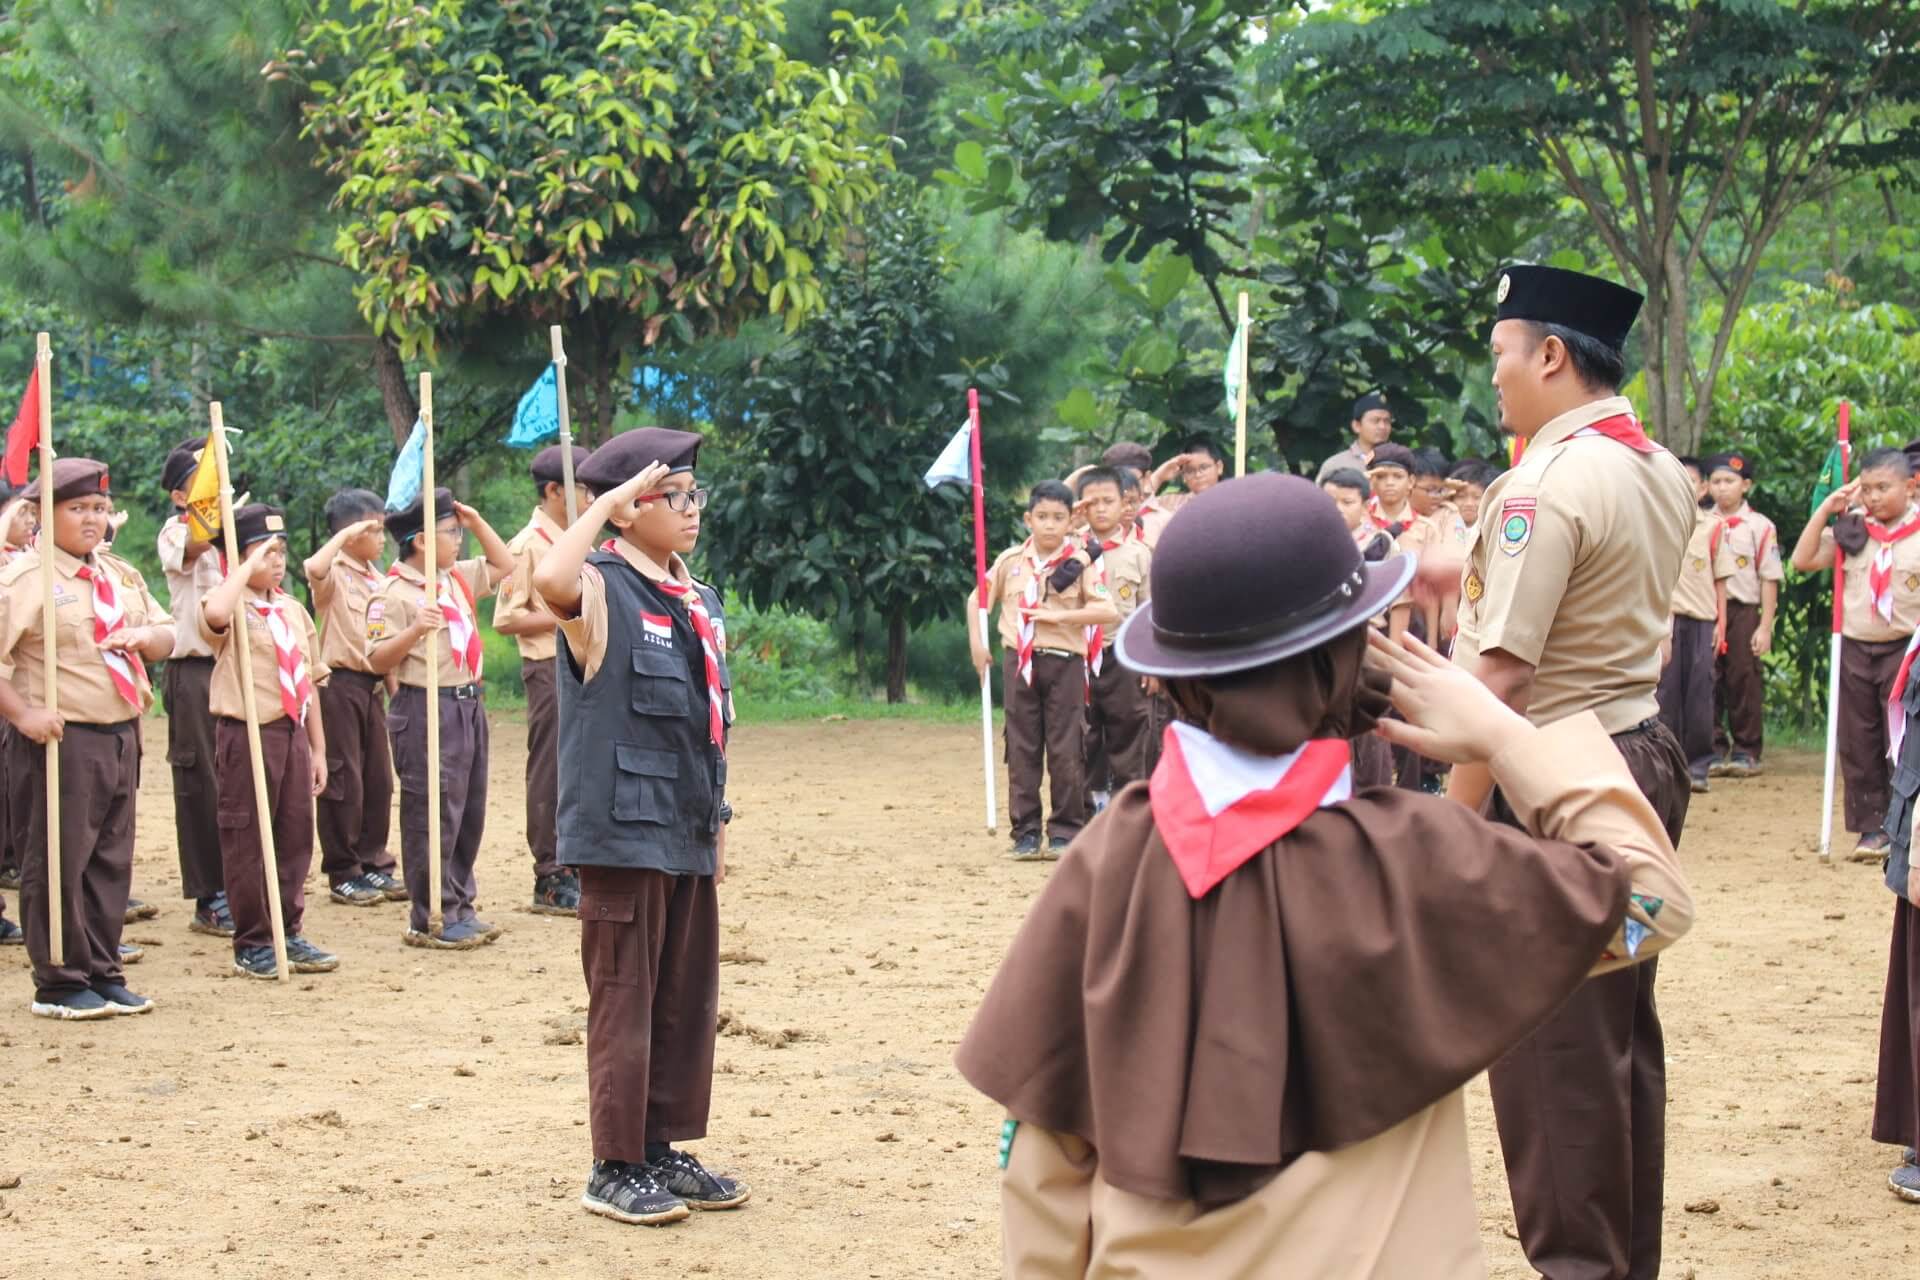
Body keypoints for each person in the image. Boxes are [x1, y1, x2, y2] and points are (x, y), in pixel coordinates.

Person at [956, 473, 1694, 1278]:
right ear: (1350, 662)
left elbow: (1040, 1167)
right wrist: (1504, 736)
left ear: (1168, 675)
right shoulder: (1420, 858)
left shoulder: (1105, 860)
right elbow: (1650, 899)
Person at [1449, 263, 1697, 1280]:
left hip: (1552, 781)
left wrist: (1449, 824)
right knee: (1617, 1042)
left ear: (1551, 354)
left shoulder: (1545, 486)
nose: (1496, 376)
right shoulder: (1655, 468)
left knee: (1552, 1057)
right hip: (1635, 756)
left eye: (1503, 353)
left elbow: (1498, 679)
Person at [530, 427, 750, 1226]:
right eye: (674, 497)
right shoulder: (599, 590)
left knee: (682, 997)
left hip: (686, 825)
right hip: (623, 830)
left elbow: (711, 721)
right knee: (624, 994)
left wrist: (718, 821)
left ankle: (658, 1148)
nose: (692, 510)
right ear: (628, 512)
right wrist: (605, 508)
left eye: (695, 495)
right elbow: (547, 575)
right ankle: (613, 1164)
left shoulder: (697, 600)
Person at [0, 459, 176, 1019]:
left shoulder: (119, 574)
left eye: (100, 508)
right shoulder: (26, 579)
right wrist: (23, 713)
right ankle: (58, 979)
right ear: (42, 516)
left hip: (121, 732)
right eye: (77, 509)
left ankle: (104, 970)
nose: (92, 519)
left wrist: (147, 637)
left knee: (111, 861)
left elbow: (168, 630)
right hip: (60, 740)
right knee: (57, 859)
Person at [366, 488, 514, 947]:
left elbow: (506, 565)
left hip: (468, 703)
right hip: (425, 705)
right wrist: (415, 628)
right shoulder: (391, 594)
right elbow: (375, 659)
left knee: (468, 808)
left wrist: (474, 519)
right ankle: (431, 913)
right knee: (433, 812)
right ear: (422, 541)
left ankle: (460, 903)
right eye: (451, 533)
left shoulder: (455, 578)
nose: (459, 541)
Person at [199, 504, 337, 979]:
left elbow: (311, 681)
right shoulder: (230, 603)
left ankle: (288, 929)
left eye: (279, 551)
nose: (275, 561)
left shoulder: (292, 610)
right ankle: (253, 939)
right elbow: (215, 613)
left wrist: (317, 749)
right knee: (248, 839)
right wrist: (244, 568)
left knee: (295, 835)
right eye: (264, 551)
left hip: (291, 731)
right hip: (247, 734)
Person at [972, 481, 1119, 860]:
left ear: (1072, 521)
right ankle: (1025, 832)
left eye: (1058, 518)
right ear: (1028, 520)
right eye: (1042, 517)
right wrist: (978, 644)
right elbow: (978, 599)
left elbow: (1107, 611)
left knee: (1067, 747)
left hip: (1065, 663)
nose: (1050, 526)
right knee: (1021, 747)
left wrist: (1062, 616)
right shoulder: (1010, 562)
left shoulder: (1080, 564)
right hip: (1019, 663)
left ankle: (1065, 831)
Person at [1790, 448, 1920, 863]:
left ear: (1910, 486)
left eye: (1883, 488)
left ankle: (1906, 827)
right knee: (1859, 737)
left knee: (1903, 739)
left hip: (1907, 648)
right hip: (1856, 647)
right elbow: (1803, 559)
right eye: (1867, 489)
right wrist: (1828, 508)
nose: (1874, 497)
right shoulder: (1853, 531)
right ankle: (1872, 828)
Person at [492, 443, 591, 917]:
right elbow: (507, 619)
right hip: (549, 668)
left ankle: (580, 860)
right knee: (552, 765)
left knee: (585, 765)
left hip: (584, 663)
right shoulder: (527, 545)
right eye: (582, 487)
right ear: (554, 490)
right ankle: (550, 872)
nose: (590, 496)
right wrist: (567, 615)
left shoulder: (580, 540)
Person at [304, 488, 405, 906]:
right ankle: (343, 869)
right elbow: (313, 565)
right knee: (343, 779)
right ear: (349, 534)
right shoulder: (333, 573)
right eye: (373, 529)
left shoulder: (376, 578)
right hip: (339, 685)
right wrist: (344, 539)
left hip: (372, 686)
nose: (381, 538)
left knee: (378, 780)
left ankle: (373, 861)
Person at [157, 437, 232, 938]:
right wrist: (220, 514)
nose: (210, 495)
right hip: (195, 672)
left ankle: (240, 880)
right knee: (201, 783)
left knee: (239, 781)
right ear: (181, 497)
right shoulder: (176, 531)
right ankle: (210, 895)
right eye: (200, 487)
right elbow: (195, 545)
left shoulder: (230, 533)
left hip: (236, 668)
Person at [1073, 468, 1151, 814]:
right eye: (1093, 502)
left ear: (1125, 506)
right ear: (1082, 507)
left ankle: (1127, 814)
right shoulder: (1069, 550)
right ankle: (1083, 814)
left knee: (1129, 732)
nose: (1101, 509)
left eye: (1109, 501)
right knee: (1082, 737)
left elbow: (1149, 612)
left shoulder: (1139, 553)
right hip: (1077, 655)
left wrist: (1151, 664)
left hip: (1123, 654)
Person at [1658, 458, 1736, 794]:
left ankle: (1699, 765)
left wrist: (1722, 623)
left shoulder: (1714, 527)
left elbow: (1721, 582)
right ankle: (1665, 764)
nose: (1685, 486)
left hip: (1704, 620)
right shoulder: (1657, 523)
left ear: (1702, 488)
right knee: (1665, 693)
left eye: (1691, 480)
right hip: (1667, 620)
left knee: (1701, 694)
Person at [1322, 466, 1400, 788]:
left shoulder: (1380, 543)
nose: (1338, 509)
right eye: (1330, 501)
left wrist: (1394, 658)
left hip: (1369, 643)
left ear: (1365, 505)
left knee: (1368, 730)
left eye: (1347, 501)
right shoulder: (1311, 543)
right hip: (1325, 650)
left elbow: (1399, 605)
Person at [1706, 451, 1782, 780]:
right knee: (1706, 679)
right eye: (1716, 481)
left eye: (1730, 481)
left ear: (1746, 485)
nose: (1722, 488)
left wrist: (1764, 626)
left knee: (1743, 676)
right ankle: (1710, 748)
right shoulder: (1700, 523)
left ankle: (1747, 750)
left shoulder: (1760, 527)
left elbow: (1769, 577)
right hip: (1705, 610)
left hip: (1743, 610)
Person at [1137, 441, 1225, 547]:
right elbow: (1135, 505)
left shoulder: (1234, 501)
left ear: (1219, 467)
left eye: (1204, 467)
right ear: (1183, 476)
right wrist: (1158, 477)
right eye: (1190, 471)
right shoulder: (1170, 503)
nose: (1198, 474)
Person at [1315, 391, 1394, 482]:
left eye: (1387, 421)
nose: (1382, 427)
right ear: (1357, 426)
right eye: (1375, 421)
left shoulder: (1401, 462)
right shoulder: (1336, 465)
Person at [1446, 459, 1500, 530]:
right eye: (1461, 496)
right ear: (1450, 498)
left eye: (1477, 497)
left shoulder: (1496, 529)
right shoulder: (1438, 527)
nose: (1469, 504)